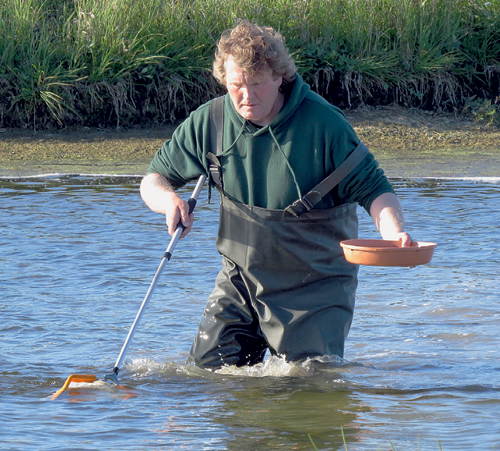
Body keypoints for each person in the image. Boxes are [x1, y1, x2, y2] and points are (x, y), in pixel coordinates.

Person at [140, 20, 412, 369]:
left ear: (279, 77)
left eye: (256, 85)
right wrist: (169, 201)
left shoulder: (324, 125)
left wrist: (394, 235)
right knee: (206, 378)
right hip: (239, 282)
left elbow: (376, 191)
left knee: (308, 391)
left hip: (315, 291)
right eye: (236, 85)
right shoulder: (212, 120)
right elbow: (153, 179)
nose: (246, 97)